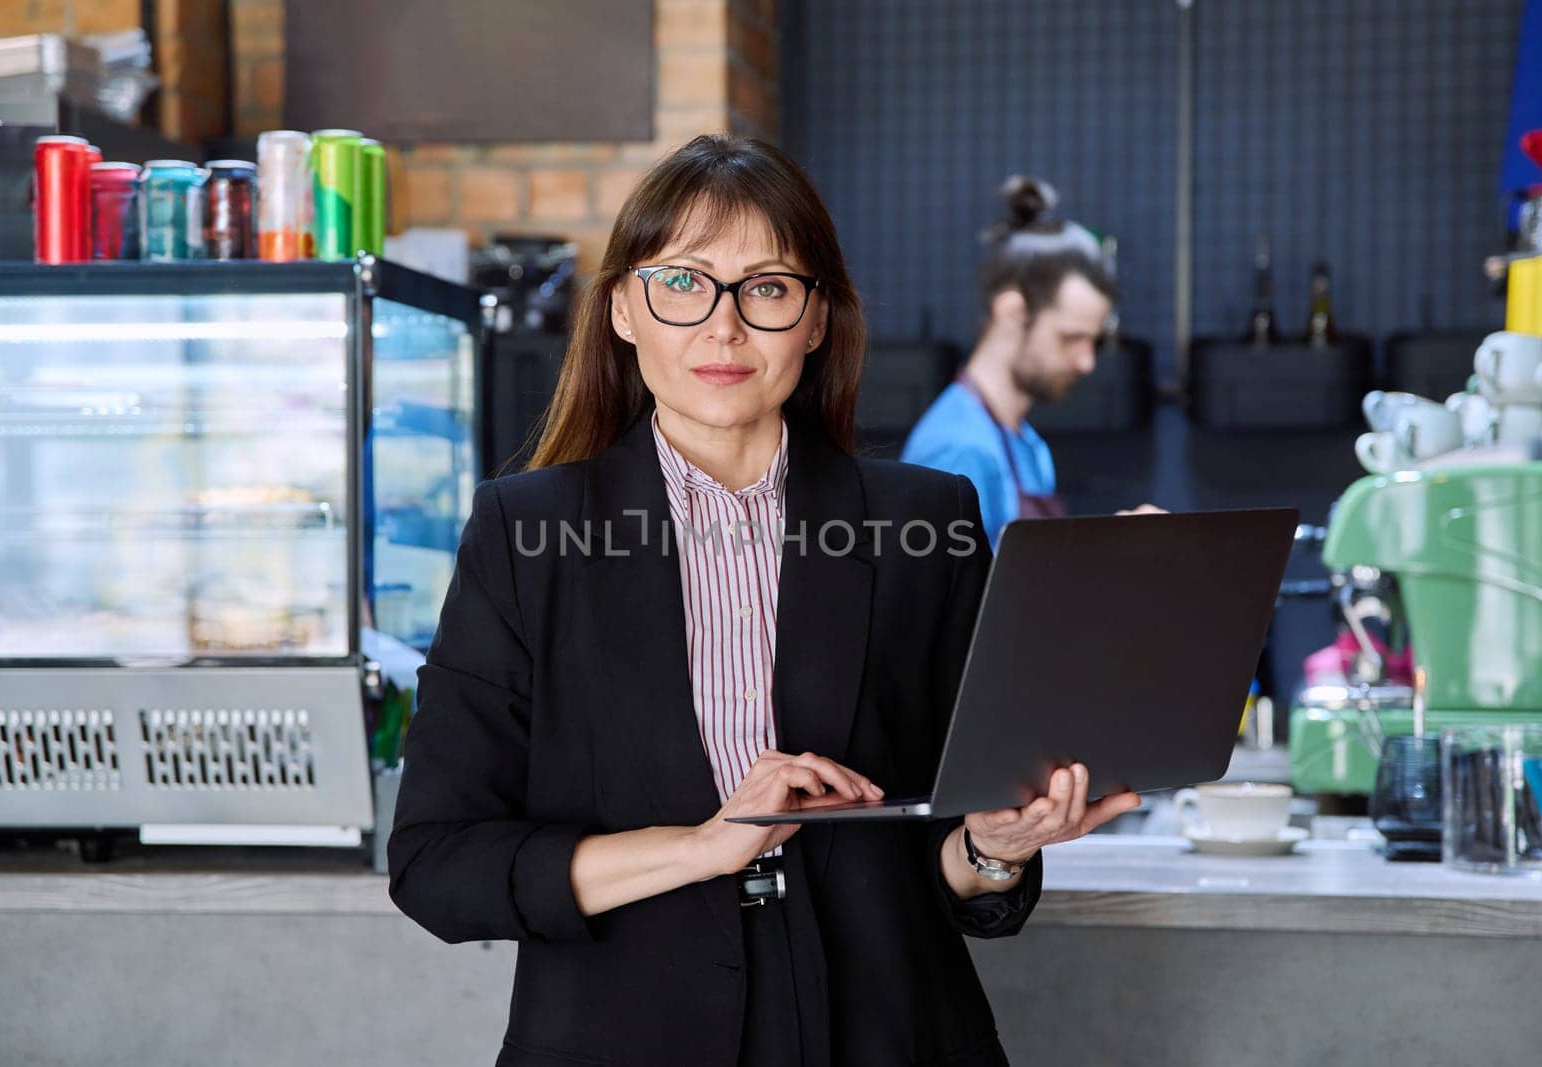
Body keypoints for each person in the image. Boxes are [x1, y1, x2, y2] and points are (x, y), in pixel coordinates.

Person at [386, 135, 1141, 1067]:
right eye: (683, 282)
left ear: (817, 320)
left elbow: (945, 862)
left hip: (891, 1032)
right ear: (624, 307)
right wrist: (703, 846)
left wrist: (994, 844)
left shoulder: (928, 522)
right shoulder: (523, 536)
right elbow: (437, 864)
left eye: (770, 287)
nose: (724, 327)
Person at [901, 176, 1145, 546]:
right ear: (1012, 310)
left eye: (1093, 341)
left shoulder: (1026, 443)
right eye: (1071, 338)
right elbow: (948, 602)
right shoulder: (957, 452)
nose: (1086, 363)